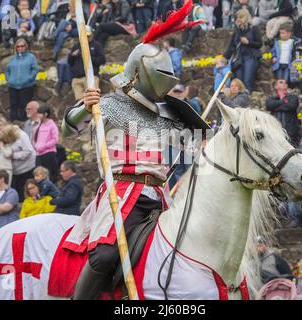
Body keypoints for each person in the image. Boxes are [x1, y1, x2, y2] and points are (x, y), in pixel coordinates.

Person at [63, 11, 209, 299]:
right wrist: (85, 105)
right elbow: (70, 129)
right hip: (122, 191)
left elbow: (190, 152)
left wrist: (196, 143)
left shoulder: (169, 114)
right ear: (139, 74)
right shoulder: (108, 105)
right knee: (105, 255)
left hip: (159, 195)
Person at [223, 9, 262, 92]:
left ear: (246, 17)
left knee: (247, 81)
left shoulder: (254, 28)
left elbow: (259, 44)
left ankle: (246, 101)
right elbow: (231, 46)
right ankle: (239, 102)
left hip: (250, 57)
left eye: (241, 17)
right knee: (238, 82)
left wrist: (248, 42)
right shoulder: (237, 30)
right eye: (237, 17)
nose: (238, 19)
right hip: (239, 59)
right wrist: (224, 58)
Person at [6, 38, 39, 121]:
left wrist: (29, 78)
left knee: (24, 105)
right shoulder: (13, 58)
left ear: (26, 47)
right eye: (18, 46)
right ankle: (14, 123)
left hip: (26, 86)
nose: (20, 48)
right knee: (13, 105)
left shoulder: (31, 57)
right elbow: (7, 70)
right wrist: (9, 79)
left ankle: (25, 122)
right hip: (13, 86)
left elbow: (35, 69)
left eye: (22, 46)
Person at [68, 31, 105, 100]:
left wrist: (89, 57)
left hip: (91, 77)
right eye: (84, 36)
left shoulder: (96, 45)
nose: (86, 38)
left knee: (92, 99)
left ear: (91, 35)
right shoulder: (76, 46)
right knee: (79, 101)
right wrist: (72, 55)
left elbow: (102, 60)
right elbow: (69, 62)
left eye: (88, 36)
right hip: (77, 78)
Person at [266, 79, 300, 146]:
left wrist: (276, 107)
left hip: (290, 132)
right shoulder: (271, 98)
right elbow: (269, 106)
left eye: (285, 83)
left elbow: (292, 106)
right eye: (281, 82)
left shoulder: (293, 97)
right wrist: (283, 101)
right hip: (275, 131)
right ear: (276, 86)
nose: (284, 84)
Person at [32, 105, 59, 181]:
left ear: (46, 114)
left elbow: (55, 139)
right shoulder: (38, 126)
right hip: (38, 154)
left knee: (48, 175)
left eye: (40, 113)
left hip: (48, 153)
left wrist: (44, 146)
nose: (38, 115)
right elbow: (34, 139)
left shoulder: (52, 125)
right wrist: (36, 146)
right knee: (38, 175)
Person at [10, 125, 36, 202]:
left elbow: (28, 151)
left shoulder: (21, 135)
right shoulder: (4, 137)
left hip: (27, 167)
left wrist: (14, 155)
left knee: (25, 190)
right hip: (15, 170)